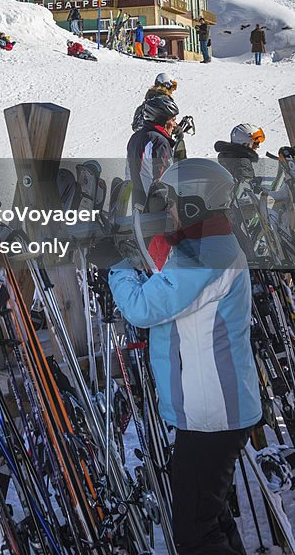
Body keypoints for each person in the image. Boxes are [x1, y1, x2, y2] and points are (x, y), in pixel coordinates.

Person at [108, 159, 261, 555]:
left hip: (212, 413)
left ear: (195, 204)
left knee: (196, 532)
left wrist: (116, 266)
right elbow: (169, 289)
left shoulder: (203, 255)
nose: (170, 211)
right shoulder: (209, 245)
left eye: (175, 202)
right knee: (211, 515)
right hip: (214, 408)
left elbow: (144, 308)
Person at [126, 93, 178, 209]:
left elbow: (128, 176)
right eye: (173, 120)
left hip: (138, 208)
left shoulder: (134, 138)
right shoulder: (160, 142)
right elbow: (164, 180)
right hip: (156, 211)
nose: (175, 124)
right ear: (162, 120)